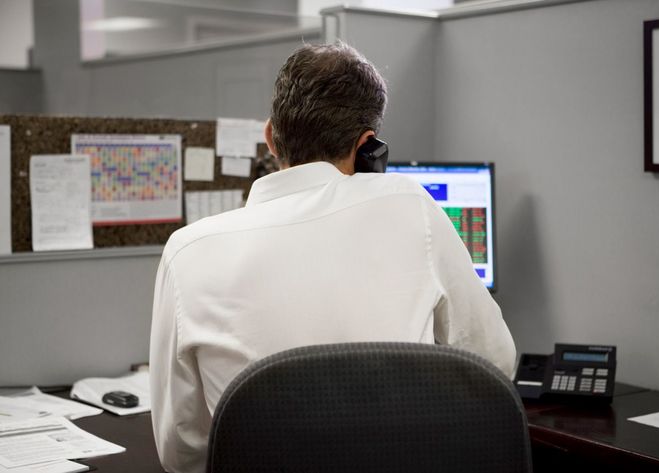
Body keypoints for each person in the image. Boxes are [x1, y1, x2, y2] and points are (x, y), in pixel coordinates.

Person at [150, 42, 515, 473]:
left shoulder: (188, 251)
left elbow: (181, 452)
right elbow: (494, 362)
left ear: (270, 136)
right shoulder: (409, 204)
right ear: (367, 145)